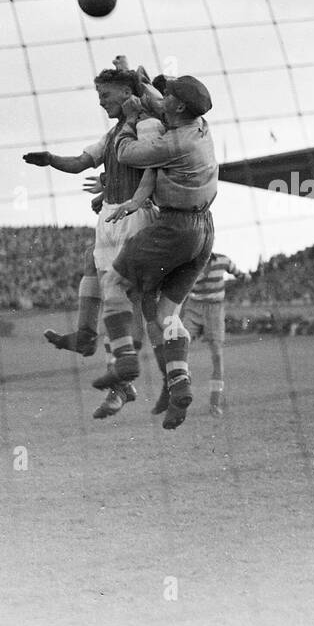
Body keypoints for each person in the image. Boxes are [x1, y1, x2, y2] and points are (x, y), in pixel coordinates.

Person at [23, 59, 165, 419]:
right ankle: (88, 341)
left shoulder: (147, 126)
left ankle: (135, 382)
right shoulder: (114, 133)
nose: (101, 101)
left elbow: (155, 166)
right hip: (111, 217)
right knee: (100, 276)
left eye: (105, 94)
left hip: (136, 216)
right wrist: (51, 159)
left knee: (126, 301)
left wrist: (121, 192)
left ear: (128, 92)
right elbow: (80, 161)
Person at [90, 76, 218, 431]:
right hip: (205, 231)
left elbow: (125, 153)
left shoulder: (173, 142)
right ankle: (180, 385)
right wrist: (138, 78)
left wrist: (130, 120)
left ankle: (126, 365)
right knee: (166, 316)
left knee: (114, 282)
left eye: (169, 95)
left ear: (177, 106)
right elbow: (160, 102)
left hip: (175, 228)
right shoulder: (199, 126)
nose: (163, 98)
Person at [181, 251, 247, 416]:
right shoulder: (188, 263)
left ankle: (214, 403)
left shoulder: (223, 261)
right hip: (193, 307)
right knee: (181, 347)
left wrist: (246, 277)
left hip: (215, 310)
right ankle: (182, 391)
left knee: (217, 355)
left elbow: (238, 273)